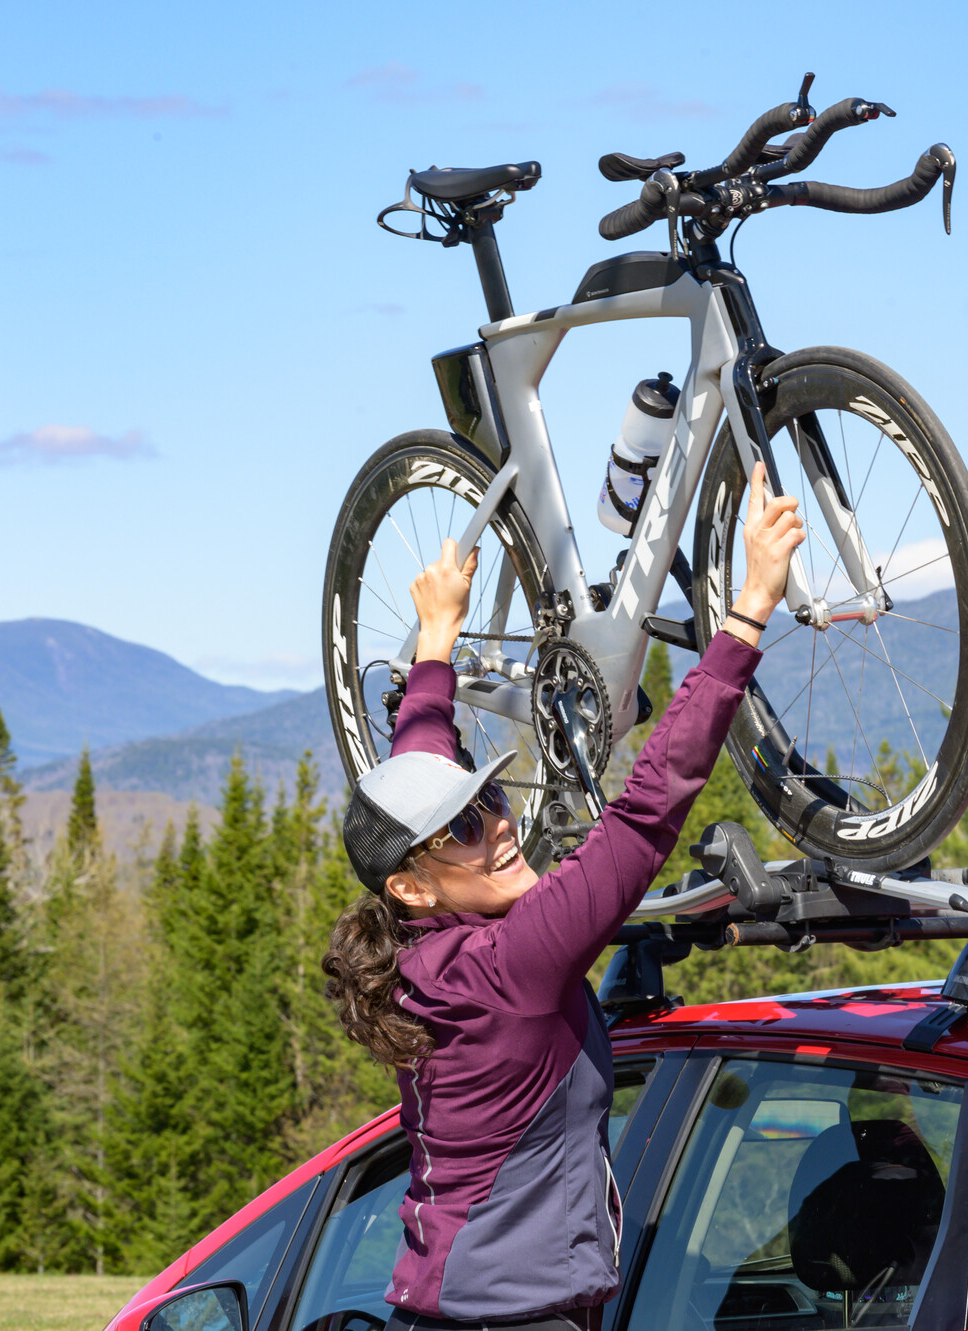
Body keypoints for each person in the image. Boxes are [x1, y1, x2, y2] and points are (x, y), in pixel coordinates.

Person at [323, 463, 806, 1331]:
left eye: (491, 799)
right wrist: (743, 619)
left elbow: (422, 760)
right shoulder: (508, 968)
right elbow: (646, 810)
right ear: (412, 886)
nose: (498, 825)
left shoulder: (420, 946)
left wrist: (436, 639)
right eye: (465, 828)